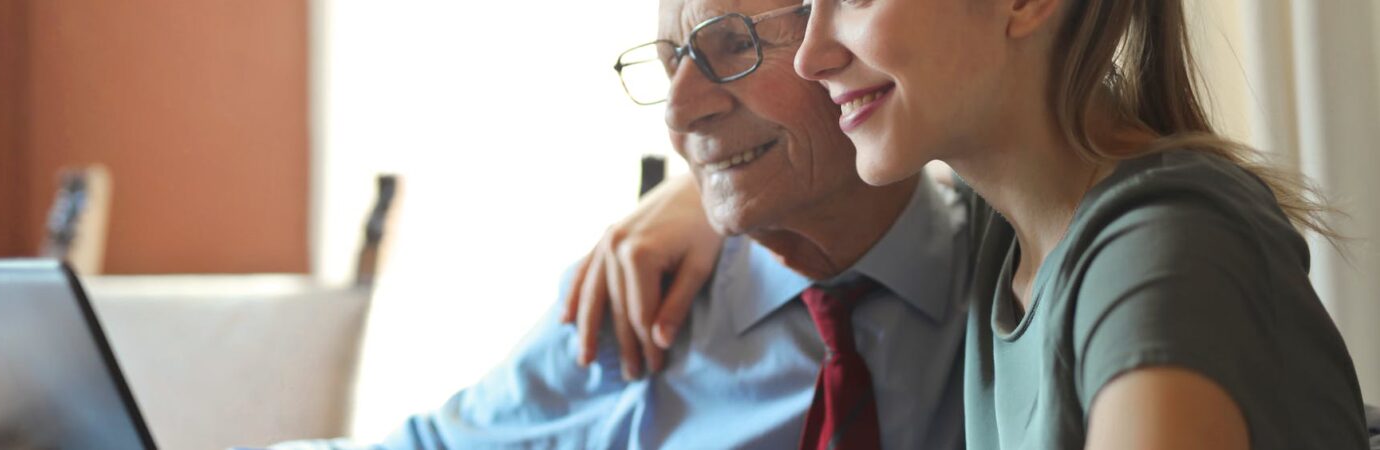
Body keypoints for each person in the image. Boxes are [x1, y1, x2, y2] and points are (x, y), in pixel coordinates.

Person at [568, 0, 1371, 449]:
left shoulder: (1162, 255)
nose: (814, 57)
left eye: (847, 1)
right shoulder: (1015, 235)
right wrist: (714, 193)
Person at [273, 0, 970, 448]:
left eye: (732, 45)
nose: (677, 111)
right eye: (672, 63)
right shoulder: (637, 295)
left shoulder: (1008, 270)